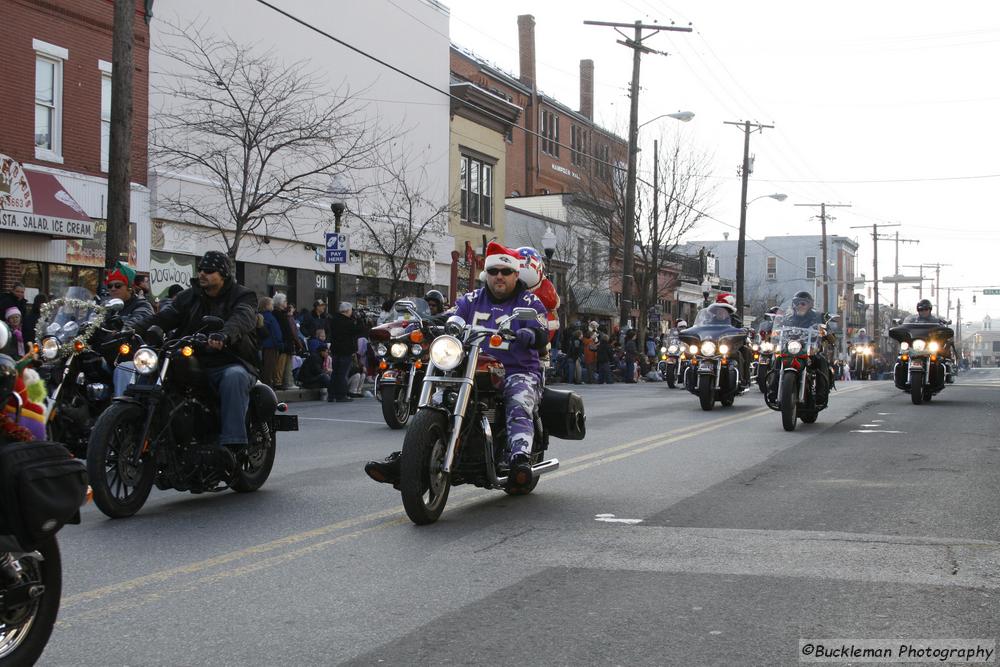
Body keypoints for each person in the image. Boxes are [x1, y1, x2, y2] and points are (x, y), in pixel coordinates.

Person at [366, 241, 548, 490]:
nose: (499, 277)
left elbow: (542, 330)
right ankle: (409, 458)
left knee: (518, 399)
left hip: (517, 370)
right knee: (439, 398)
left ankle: (519, 458)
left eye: (505, 272)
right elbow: (454, 315)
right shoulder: (472, 299)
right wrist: (429, 323)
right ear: (487, 274)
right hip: (470, 367)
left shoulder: (529, 302)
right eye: (494, 271)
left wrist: (530, 334)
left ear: (516, 274)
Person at [132, 250, 259, 453]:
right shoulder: (189, 296)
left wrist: (224, 335)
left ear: (223, 274)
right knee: (152, 369)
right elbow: (165, 317)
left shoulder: (243, 295)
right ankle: (135, 428)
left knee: (234, 377)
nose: (202, 274)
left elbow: (242, 318)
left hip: (229, 360)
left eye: (209, 271)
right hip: (192, 357)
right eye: (200, 269)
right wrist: (131, 330)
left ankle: (232, 444)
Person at [106, 262, 156, 396]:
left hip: (130, 355)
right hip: (107, 353)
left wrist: (124, 327)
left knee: (124, 369)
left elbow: (138, 320)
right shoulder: (107, 307)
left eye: (118, 285)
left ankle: (120, 409)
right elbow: (93, 320)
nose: (113, 289)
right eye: (109, 286)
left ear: (129, 288)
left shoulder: (142, 306)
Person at [777, 291, 834, 405]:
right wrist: (775, 332)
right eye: (798, 303)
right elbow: (778, 328)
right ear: (794, 304)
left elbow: (831, 337)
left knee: (821, 361)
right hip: (791, 349)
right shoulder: (787, 318)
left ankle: (821, 394)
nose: (800, 305)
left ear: (810, 305)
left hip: (810, 350)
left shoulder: (818, 318)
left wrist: (826, 333)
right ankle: (774, 391)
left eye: (804, 303)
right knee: (777, 360)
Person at [328, 302, 366, 402]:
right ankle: (341, 395)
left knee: (335, 372)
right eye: (351, 311)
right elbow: (359, 330)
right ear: (348, 310)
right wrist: (360, 320)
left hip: (335, 349)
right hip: (346, 350)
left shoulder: (334, 320)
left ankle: (331, 395)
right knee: (342, 373)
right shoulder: (348, 322)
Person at [258, 296, 283, 389]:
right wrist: (279, 343)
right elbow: (274, 332)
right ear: (266, 305)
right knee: (269, 368)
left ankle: (267, 385)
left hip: (267, 344)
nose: (273, 305)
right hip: (270, 345)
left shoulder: (264, 316)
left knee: (267, 367)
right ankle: (267, 387)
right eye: (271, 304)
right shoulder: (269, 317)